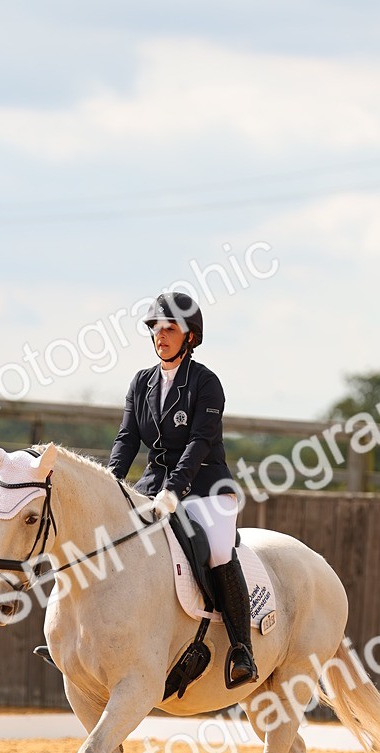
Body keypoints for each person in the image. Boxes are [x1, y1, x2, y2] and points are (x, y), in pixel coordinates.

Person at [108, 292, 258, 688]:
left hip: (207, 487)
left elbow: (199, 442)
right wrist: (112, 485)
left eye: (170, 328)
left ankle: (242, 649)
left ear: (190, 336)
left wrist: (175, 490)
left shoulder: (206, 383)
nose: (161, 335)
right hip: (153, 485)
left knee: (220, 551)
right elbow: (126, 439)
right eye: (156, 328)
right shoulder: (141, 382)